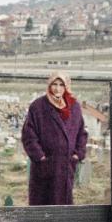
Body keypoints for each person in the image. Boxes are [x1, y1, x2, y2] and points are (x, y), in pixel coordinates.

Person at [21, 72, 88, 205]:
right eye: (54, 84)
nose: (57, 89)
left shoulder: (74, 107)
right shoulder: (38, 106)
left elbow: (81, 132)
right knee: (42, 203)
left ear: (67, 86)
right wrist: (40, 157)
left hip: (66, 165)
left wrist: (77, 154)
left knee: (63, 204)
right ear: (49, 85)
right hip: (45, 165)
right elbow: (28, 134)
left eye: (61, 85)